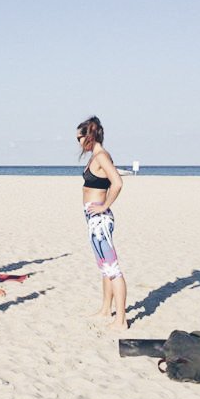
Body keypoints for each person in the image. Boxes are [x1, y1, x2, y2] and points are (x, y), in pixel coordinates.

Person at [77, 115, 128, 331]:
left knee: (113, 269)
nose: (78, 143)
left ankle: (121, 320)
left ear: (88, 137)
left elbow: (117, 182)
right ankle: (106, 309)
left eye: (79, 138)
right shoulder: (95, 156)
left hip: (100, 220)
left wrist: (104, 205)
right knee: (104, 267)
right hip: (93, 218)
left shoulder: (101, 156)